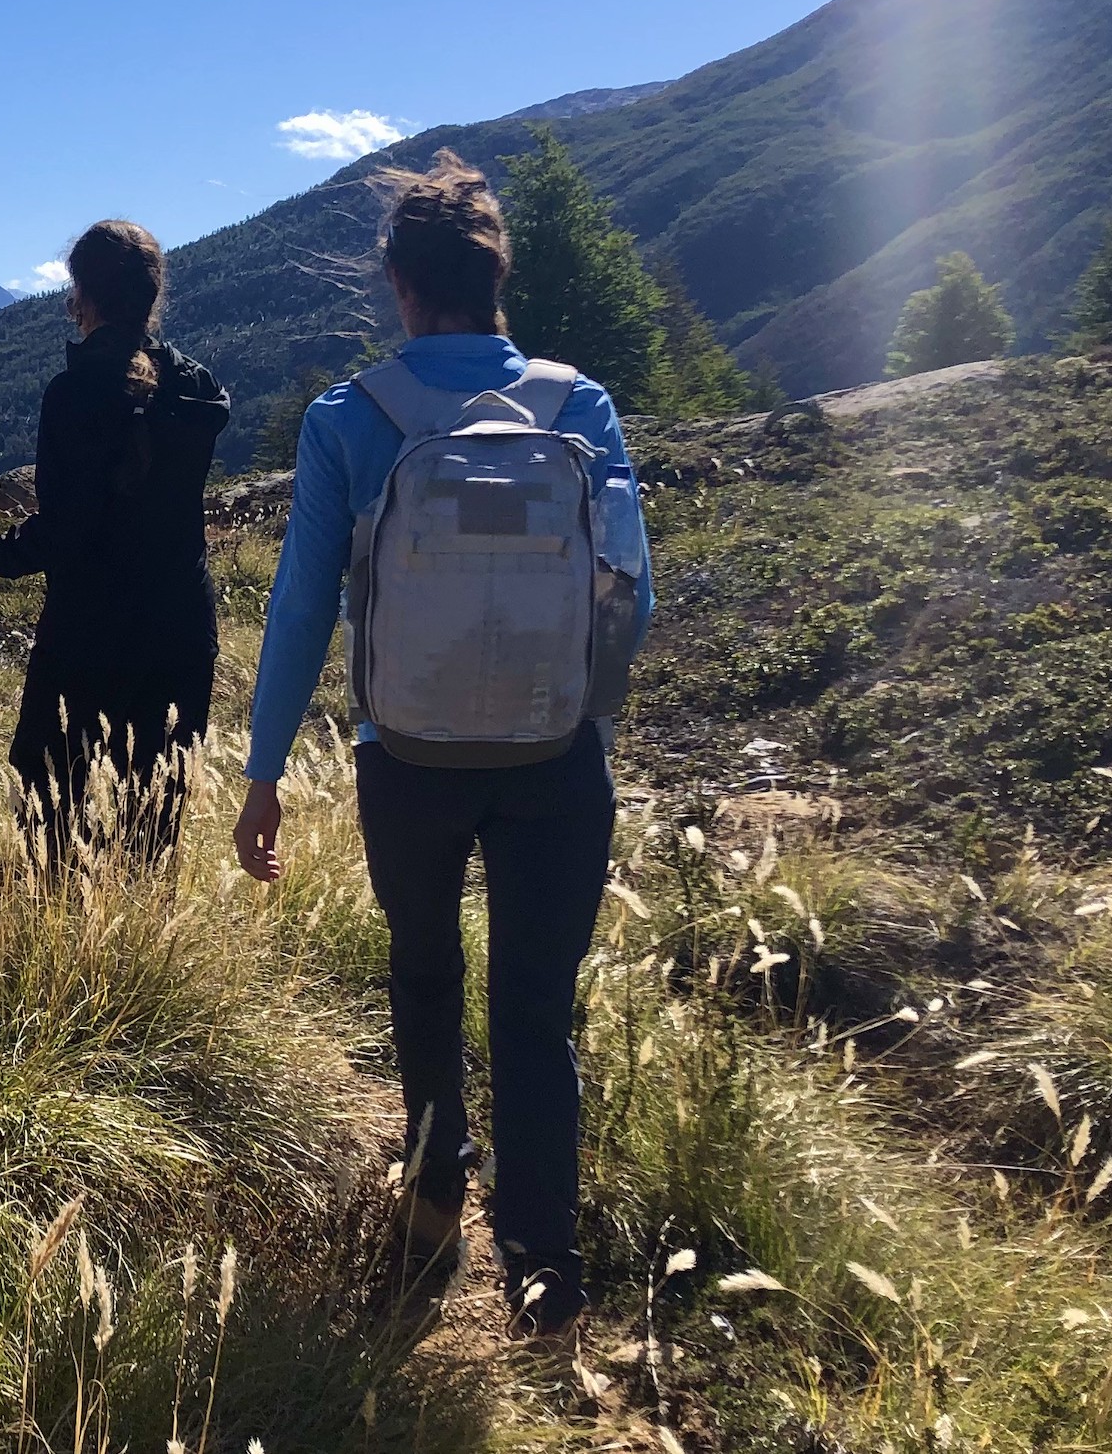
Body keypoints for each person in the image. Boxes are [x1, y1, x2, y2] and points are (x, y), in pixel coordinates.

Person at [230, 152, 653, 1336]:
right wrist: (579, 720)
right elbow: (633, 595)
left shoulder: (348, 418)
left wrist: (264, 774)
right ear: (493, 278)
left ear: (402, 288)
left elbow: (302, 607)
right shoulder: (582, 407)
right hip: (554, 757)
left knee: (425, 979)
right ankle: (543, 1266)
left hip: (405, 756)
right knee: (535, 1004)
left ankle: (427, 1220)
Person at [0, 221, 230, 860]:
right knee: (154, 809)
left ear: (83, 296)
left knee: (51, 796)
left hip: (89, 631)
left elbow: (65, 526)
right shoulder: (197, 389)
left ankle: (60, 939)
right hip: (180, 625)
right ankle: (143, 942)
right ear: (152, 295)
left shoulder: (76, 392)